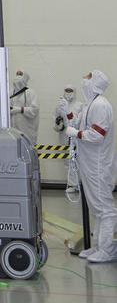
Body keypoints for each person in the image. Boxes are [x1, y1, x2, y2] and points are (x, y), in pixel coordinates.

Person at [67, 70, 117, 262]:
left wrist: (76, 134)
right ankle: (98, 246)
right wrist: (70, 116)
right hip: (88, 162)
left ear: (95, 83)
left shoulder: (101, 105)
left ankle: (107, 249)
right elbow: (80, 125)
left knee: (104, 207)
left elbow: (96, 135)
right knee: (96, 207)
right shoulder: (91, 104)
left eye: (88, 77)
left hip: (98, 164)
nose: (84, 80)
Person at [10, 70, 40, 144]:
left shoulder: (30, 93)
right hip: (13, 130)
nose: (18, 77)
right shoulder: (10, 93)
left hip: (27, 131)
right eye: (17, 74)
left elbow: (34, 110)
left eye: (20, 75)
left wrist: (20, 109)